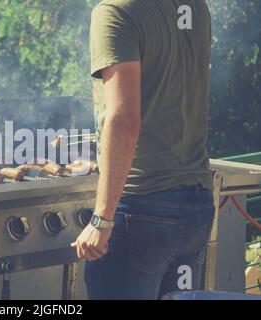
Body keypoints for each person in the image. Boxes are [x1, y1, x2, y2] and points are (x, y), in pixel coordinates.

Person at [71, 0, 215, 300]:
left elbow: (124, 118)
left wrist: (102, 218)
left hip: (140, 209)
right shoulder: (195, 6)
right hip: (196, 204)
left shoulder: (115, 11)